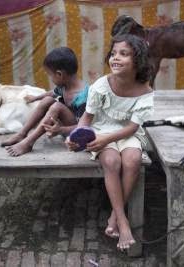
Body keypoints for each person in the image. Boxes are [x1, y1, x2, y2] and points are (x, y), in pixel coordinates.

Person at [66, 34, 154, 250]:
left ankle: (116, 215)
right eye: (113, 53)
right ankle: (123, 222)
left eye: (123, 54)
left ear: (138, 61)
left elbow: (132, 128)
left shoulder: (146, 91)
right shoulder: (101, 86)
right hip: (102, 129)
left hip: (128, 132)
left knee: (132, 159)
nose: (115, 58)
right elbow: (87, 117)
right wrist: (75, 135)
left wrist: (107, 138)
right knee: (112, 162)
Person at [1, 47, 89, 156]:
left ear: (59, 74)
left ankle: (29, 142)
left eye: (50, 75)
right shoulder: (65, 84)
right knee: (48, 100)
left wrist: (61, 130)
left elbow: (85, 127)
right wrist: (36, 98)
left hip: (75, 134)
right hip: (60, 128)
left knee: (56, 106)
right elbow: (52, 93)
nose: (50, 78)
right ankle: (22, 134)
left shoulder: (83, 97)